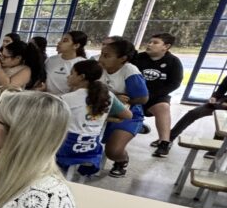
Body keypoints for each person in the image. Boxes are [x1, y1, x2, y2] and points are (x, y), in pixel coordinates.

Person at [57, 59, 128, 175]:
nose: (68, 76)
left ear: (81, 77)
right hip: (92, 149)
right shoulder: (108, 95)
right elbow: (128, 115)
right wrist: (103, 117)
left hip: (67, 147)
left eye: (72, 73)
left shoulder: (67, 98)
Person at [98, 36, 148, 177]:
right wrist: (113, 97)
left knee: (113, 151)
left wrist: (118, 100)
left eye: (106, 56)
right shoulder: (99, 67)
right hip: (102, 110)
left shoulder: (130, 71)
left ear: (122, 59)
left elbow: (143, 98)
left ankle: (121, 160)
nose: (101, 59)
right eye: (101, 54)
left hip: (129, 114)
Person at [133, 33, 184, 157]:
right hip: (135, 94)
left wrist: (153, 95)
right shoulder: (138, 58)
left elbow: (175, 83)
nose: (150, 45)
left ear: (166, 46)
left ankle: (164, 143)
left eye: (155, 43)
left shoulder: (173, 62)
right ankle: (136, 124)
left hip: (157, 97)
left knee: (163, 107)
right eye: (150, 42)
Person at [168, 75, 227, 146]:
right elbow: (221, 89)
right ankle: (169, 138)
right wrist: (214, 97)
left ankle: (217, 146)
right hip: (221, 103)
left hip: (224, 104)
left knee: (223, 123)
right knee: (193, 113)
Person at [44, 31, 87, 96]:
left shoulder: (83, 64)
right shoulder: (50, 60)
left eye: (65, 41)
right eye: (60, 40)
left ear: (76, 45)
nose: (59, 43)